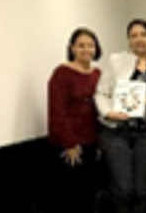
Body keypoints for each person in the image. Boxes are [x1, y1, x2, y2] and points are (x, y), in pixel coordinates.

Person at [95, 20, 146, 213]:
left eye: (143, 34)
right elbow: (101, 93)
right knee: (123, 188)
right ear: (128, 39)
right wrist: (109, 112)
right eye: (134, 35)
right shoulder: (116, 61)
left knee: (141, 190)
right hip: (117, 131)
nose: (139, 39)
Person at [48, 28, 103, 213]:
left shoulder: (99, 74)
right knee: (70, 198)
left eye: (90, 45)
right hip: (69, 147)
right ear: (71, 48)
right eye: (81, 45)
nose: (86, 49)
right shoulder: (61, 73)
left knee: (89, 196)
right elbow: (57, 110)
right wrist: (70, 143)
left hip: (93, 144)